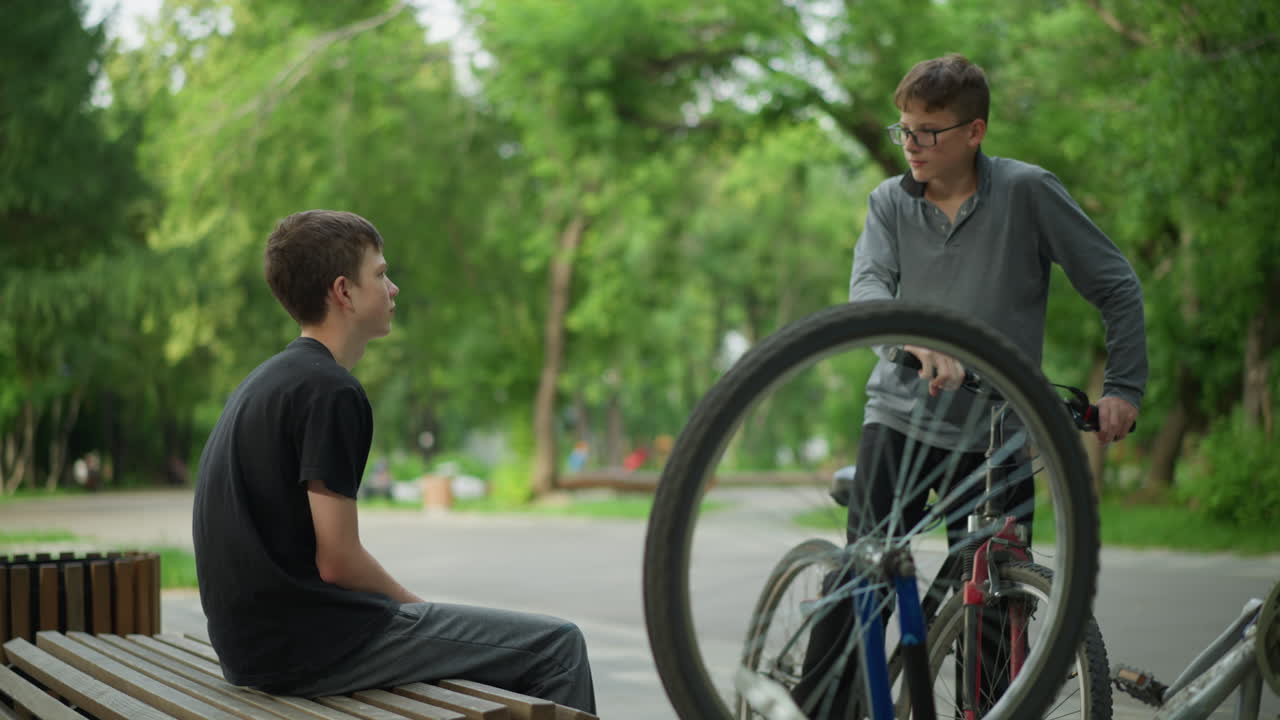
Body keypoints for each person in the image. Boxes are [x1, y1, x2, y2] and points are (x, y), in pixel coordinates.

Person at [794, 53, 1148, 715]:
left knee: (995, 605)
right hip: (900, 417)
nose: (911, 146)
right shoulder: (889, 203)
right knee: (863, 577)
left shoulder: (1027, 194)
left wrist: (1124, 385)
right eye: (904, 129)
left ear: (974, 132)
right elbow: (867, 291)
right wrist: (912, 338)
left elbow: (1116, 285)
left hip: (1000, 435)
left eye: (927, 132)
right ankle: (810, 709)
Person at [191, 210, 595, 712]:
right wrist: (416, 608)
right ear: (344, 292)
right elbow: (338, 560)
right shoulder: (330, 391)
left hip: (251, 647)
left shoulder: (269, 381)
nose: (393, 288)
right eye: (380, 275)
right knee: (559, 649)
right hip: (306, 648)